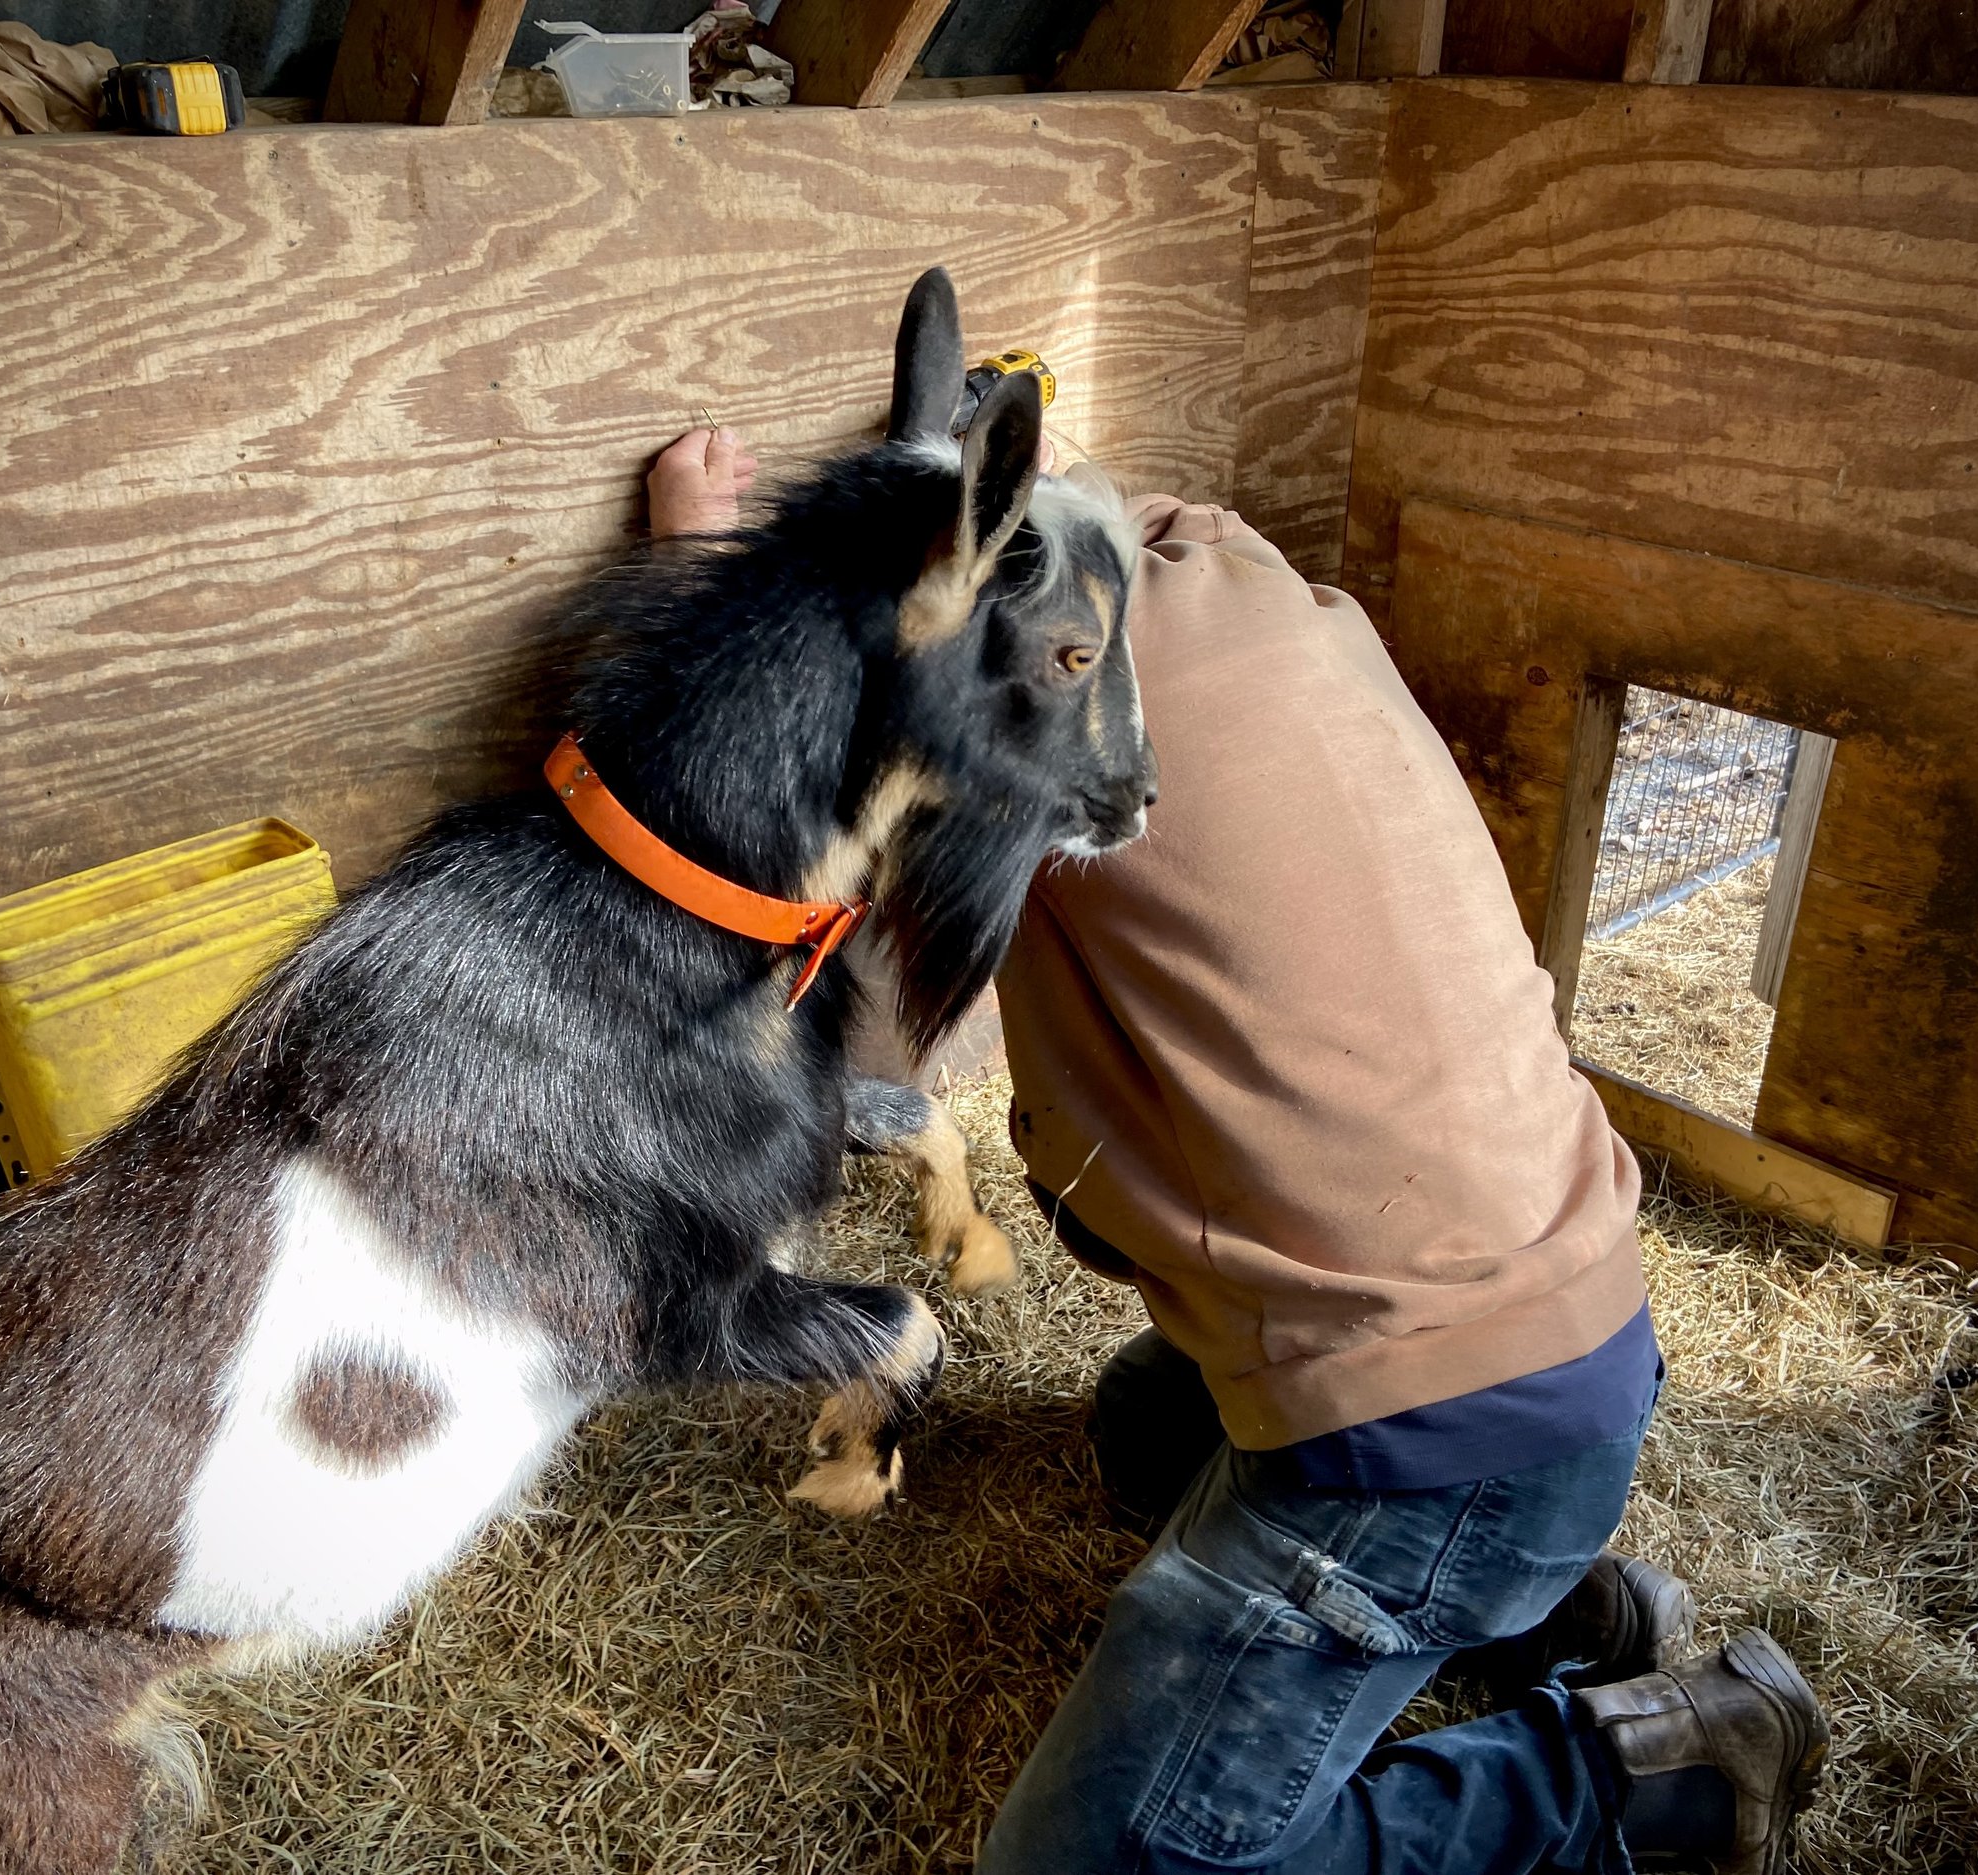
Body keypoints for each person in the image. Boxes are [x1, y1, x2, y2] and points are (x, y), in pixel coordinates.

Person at [645, 425, 1830, 1875]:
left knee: (1090, 1865)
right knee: (1147, 1429)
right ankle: (1558, 1607)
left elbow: (774, 951)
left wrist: (696, 570)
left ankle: (1649, 1772)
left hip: (1434, 1421)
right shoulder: (1229, 569)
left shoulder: (1023, 731)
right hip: (1565, 1325)